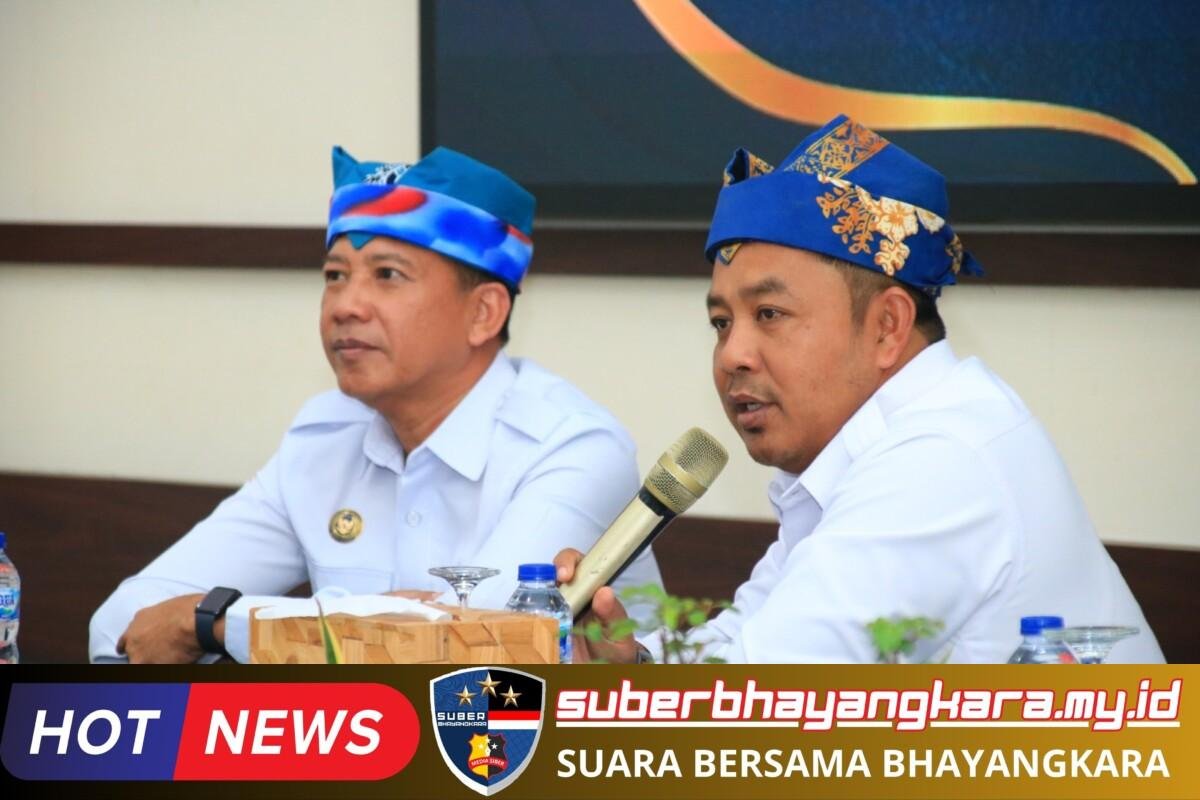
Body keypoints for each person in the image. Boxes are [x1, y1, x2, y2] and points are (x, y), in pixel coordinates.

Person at [557, 115, 1164, 664]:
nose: (732, 355)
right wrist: (630, 670)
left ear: (887, 327)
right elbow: (740, 656)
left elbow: (758, 713)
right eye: (721, 323)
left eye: (769, 314)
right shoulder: (865, 457)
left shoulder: (942, 461)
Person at [90, 145, 661, 663]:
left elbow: (472, 655)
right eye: (335, 275)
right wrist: (365, 619)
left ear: (483, 313)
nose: (346, 305)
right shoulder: (324, 437)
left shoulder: (573, 447)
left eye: (387, 275)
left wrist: (215, 623)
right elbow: (121, 627)